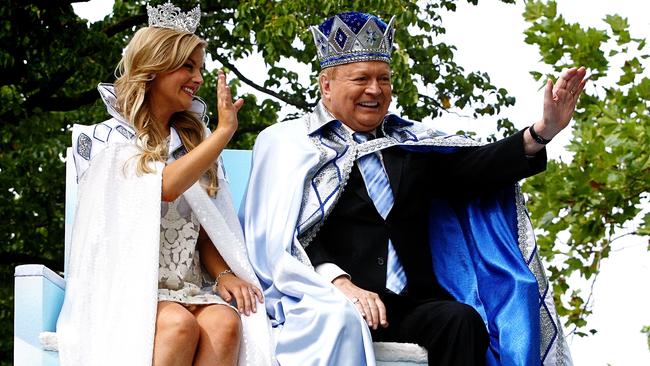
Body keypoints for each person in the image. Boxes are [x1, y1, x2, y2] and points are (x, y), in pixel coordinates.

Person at [242, 11, 585, 366]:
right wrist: (339, 283)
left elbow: (476, 167)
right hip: (329, 302)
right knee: (338, 319)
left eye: (384, 79)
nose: (375, 90)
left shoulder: (410, 144)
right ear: (326, 85)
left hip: (410, 304)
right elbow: (280, 238)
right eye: (361, 78)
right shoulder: (290, 145)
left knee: (462, 321)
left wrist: (543, 131)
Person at [56, 2, 273, 365]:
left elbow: (208, 228)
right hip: (128, 285)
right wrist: (221, 134)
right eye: (187, 66)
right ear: (154, 69)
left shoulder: (192, 144)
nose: (199, 78)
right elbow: (164, 187)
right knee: (177, 326)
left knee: (225, 322)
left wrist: (223, 274)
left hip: (187, 285)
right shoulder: (107, 140)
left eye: (200, 68)